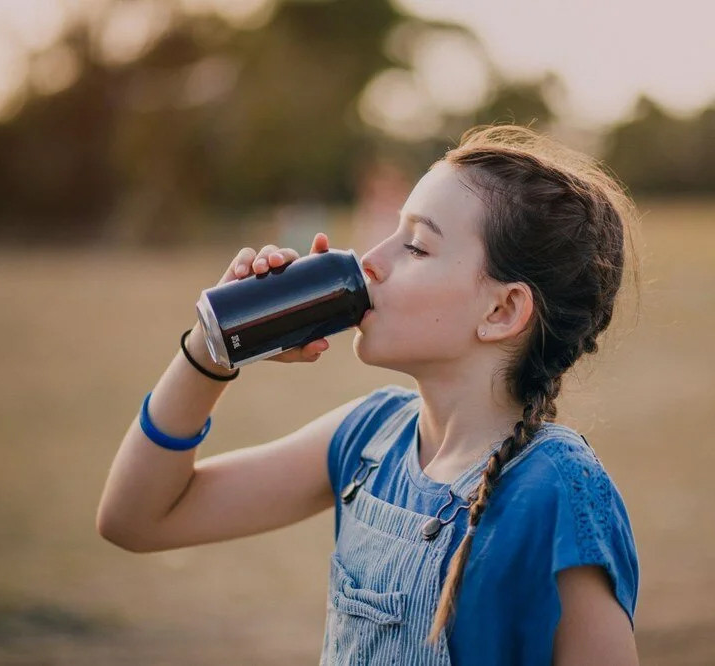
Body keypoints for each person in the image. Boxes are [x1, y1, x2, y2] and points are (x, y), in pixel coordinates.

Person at [97, 125, 643, 664]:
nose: (369, 261)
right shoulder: (368, 436)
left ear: (502, 312)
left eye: (415, 246)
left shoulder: (560, 493)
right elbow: (137, 519)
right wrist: (212, 349)